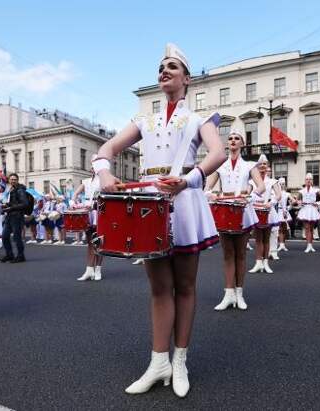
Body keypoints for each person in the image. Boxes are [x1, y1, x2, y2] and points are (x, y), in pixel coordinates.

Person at [93, 43, 224, 398]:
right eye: (160, 67)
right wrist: (105, 177)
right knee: (158, 289)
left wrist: (189, 179)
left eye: (172, 66)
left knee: (185, 287)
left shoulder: (200, 119)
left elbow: (218, 153)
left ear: (186, 78)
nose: (163, 71)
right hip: (151, 204)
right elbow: (105, 151)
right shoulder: (143, 121)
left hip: (183, 200)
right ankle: (158, 361)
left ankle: (180, 360)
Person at [204, 129, 265, 311]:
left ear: (242, 144)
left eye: (236, 138)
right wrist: (210, 194)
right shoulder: (220, 166)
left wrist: (251, 195)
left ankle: (239, 293)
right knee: (227, 254)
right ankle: (228, 293)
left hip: (242, 210)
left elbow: (260, 186)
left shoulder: (249, 166)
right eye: (230, 138)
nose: (232, 140)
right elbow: (208, 186)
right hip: (223, 210)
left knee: (241, 254)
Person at [248, 155, 281, 273]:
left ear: (267, 166)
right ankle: (258, 263)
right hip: (256, 211)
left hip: (268, 211)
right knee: (257, 239)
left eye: (264, 164)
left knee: (266, 239)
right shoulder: (252, 181)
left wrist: (271, 203)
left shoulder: (272, 181)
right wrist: (249, 199)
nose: (262, 165)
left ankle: (266, 263)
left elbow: (278, 195)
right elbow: (247, 193)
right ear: (257, 166)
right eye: (260, 164)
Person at [73, 166, 104, 281]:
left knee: (99, 242)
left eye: (95, 166)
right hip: (88, 212)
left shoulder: (103, 181)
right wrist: (73, 201)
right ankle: (89, 270)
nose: (93, 169)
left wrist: (95, 205)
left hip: (98, 212)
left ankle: (98, 269)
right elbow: (75, 194)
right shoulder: (85, 181)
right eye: (91, 167)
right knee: (90, 242)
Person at [0, 173, 28, 263]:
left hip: (17, 217)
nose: (13, 181)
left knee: (17, 237)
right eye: (11, 179)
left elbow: (24, 203)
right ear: (9, 180)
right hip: (10, 216)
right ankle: (9, 255)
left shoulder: (20, 190)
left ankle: (20, 256)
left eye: (15, 179)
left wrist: (11, 207)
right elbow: (13, 202)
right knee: (4, 236)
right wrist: (6, 205)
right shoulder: (12, 189)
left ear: (17, 180)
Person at [297, 173, 320, 253]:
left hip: (312, 209)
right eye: (307, 179)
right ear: (305, 181)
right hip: (305, 209)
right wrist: (299, 202)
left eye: (310, 179)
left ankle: (311, 245)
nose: (308, 180)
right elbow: (297, 199)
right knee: (307, 228)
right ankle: (308, 245)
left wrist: (319, 202)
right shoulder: (301, 191)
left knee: (311, 228)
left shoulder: (316, 190)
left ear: (312, 181)